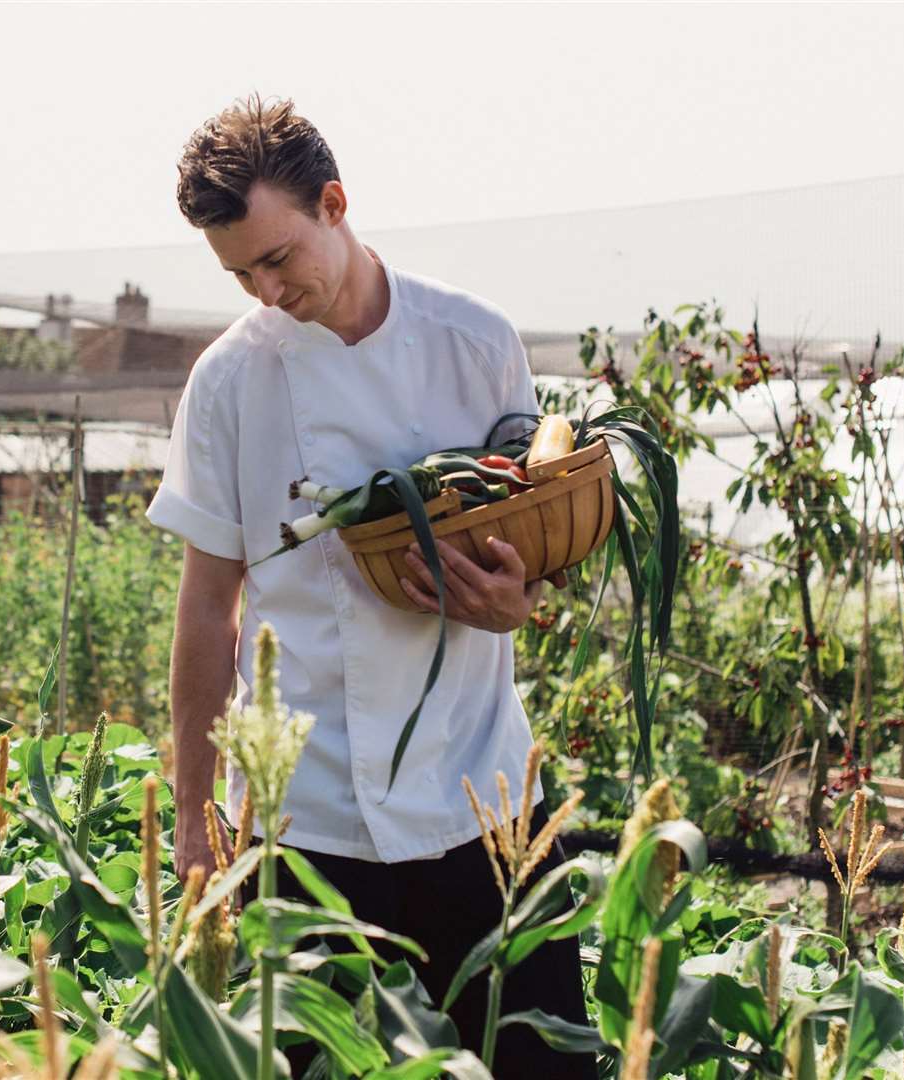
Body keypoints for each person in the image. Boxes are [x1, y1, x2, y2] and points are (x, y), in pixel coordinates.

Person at [148, 93, 597, 1077]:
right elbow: (205, 609)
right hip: (304, 816)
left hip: (480, 796)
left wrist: (521, 601)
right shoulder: (229, 384)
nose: (264, 291)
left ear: (335, 205)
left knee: (543, 1065)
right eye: (237, 274)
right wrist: (192, 812)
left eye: (277, 259)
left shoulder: (475, 341)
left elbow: (536, 541)